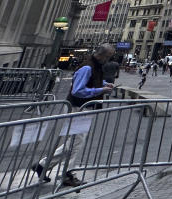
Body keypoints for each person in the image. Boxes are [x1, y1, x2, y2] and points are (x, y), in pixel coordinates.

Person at [34, 44, 115, 186]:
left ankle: (43, 165)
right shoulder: (87, 67)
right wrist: (99, 90)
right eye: (108, 57)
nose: (108, 60)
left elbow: (92, 81)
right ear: (102, 55)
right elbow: (77, 90)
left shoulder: (94, 66)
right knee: (76, 142)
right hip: (78, 107)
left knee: (74, 142)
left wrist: (104, 84)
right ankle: (66, 173)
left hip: (83, 107)